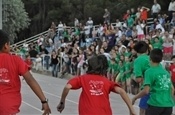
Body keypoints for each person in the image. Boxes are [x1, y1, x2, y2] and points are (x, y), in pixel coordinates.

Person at [57, 55, 136, 115]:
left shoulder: (83, 78)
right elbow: (121, 91)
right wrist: (131, 109)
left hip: (87, 112)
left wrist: (62, 101)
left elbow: (67, 87)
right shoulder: (106, 81)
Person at [0, 30, 51, 115]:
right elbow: (30, 80)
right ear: (6, 45)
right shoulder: (15, 60)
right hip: (7, 108)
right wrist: (44, 101)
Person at [132, 49, 174, 115]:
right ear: (161, 59)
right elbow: (172, 89)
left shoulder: (149, 71)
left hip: (155, 104)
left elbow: (146, 91)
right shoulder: (166, 72)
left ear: (150, 58)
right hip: (168, 106)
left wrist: (135, 97)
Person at [133, 41, 150, 115]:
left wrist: (133, 77)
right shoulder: (151, 58)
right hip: (159, 90)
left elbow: (138, 79)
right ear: (147, 50)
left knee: (142, 111)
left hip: (148, 88)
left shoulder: (138, 60)